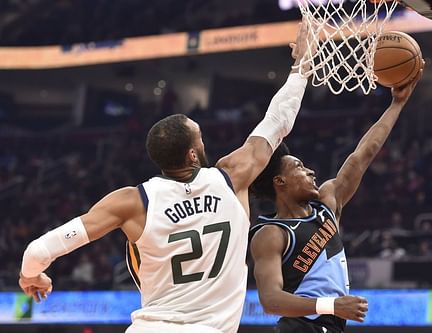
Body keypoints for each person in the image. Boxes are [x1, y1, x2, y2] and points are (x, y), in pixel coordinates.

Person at [18, 21, 313, 333]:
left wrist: (30, 276)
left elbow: (38, 251)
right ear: (192, 154)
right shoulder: (232, 177)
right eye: (200, 138)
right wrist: (302, 65)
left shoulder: (133, 202)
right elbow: (277, 121)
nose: (204, 142)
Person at [249, 69, 423, 333]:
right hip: (301, 326)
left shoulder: (327, 203)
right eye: (299, 167)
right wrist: (330, 305)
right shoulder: (271, 233)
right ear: (279, 182)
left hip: (332, 324)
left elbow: (363, 155)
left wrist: (397, 104)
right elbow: (271, 301)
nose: (310, 171)